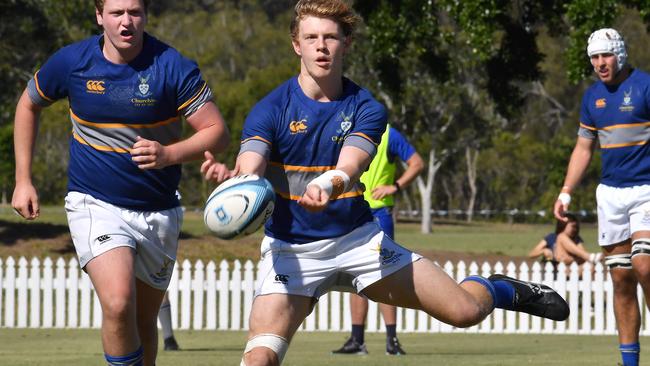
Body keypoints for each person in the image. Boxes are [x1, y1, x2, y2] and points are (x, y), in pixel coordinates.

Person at [202, 1, 568, 365]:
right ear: (296, 45)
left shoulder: (366, 107)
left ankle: (501, 288)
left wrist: (330, 184)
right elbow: (252, 160)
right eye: (311, 37)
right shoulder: (270, 108)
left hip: (359, 242)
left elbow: (352, 163)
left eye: (331, 37)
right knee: (259, 360)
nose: (321, 46)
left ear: (347, 43)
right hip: (291, 253)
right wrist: (239, 179)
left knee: (465, 311)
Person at [11, 0, 229, 365]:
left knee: (144, 322)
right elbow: (28, 104)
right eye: (116, 13)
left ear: (145, 15)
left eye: (134, 12)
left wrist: (168, 155)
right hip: (95, 203)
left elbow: (217, 133)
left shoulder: (172, 66)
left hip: (159, 211)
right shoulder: (72, 62)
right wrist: (22, 180)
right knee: (117, 303)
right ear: (100, 17)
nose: (126, 21)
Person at [553, 28, 650, 366]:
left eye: (605, 55)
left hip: (646, 191)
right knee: (622, 278)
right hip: (610, 195)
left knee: (645, 264)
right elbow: (583, 148)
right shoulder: (592, 97)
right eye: (594, 57)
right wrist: (565, 191)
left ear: (620, 54)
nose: (600, 63)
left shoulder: (645, 86)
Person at [332, 125, 423, 356]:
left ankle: (392, 341)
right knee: (354, 275)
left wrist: (395, 186)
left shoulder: (389, 134)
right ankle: (357, 340)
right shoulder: (346, 131)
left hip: (379, 214)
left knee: (386, 275)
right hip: (352, 211)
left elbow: (417, 163)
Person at [528, 214, 601, 273]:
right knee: (561, 236)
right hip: (555, 269)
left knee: (590, 267)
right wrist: (543, 251)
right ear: (563, 225)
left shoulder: (576, 238)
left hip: (570, 268)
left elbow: (582, 256)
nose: (575, 229)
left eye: (576, 227)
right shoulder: (552, 237)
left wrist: (571, 259)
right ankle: (591, 257)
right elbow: (531, 254)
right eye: (572, 227)